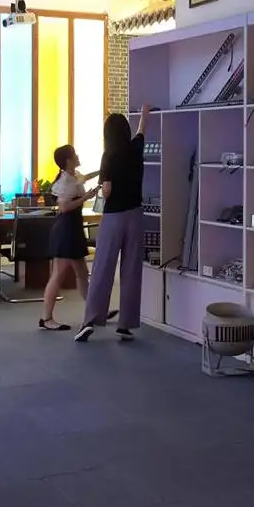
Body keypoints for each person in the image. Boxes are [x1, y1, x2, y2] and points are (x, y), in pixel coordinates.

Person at [76, 105, 150, 343]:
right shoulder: (136, 149)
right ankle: (125, 324)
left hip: (114, 216)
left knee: (103, 267)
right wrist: (144, 113)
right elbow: (141, 131)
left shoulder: (108, 156)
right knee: (132, 269)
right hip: (135, 215)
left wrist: (103, 188)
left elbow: (107, 191)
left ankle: (90, 320)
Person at [38, 145, 99, 331]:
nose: (78, 156)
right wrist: (86, 197)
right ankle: (46, 318)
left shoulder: (73, 176)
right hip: (66, 229)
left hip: (73, 228)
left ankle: (94, 311)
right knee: (58, 275)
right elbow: (64, 207)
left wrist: (103, 171)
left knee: (82, 273)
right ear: (68, 160)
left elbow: (84, 178)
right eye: (74, 155)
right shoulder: (65, 181)